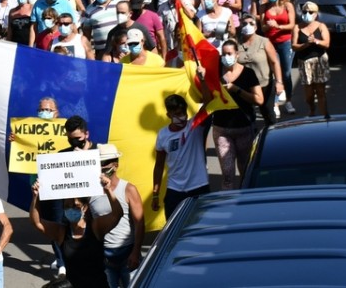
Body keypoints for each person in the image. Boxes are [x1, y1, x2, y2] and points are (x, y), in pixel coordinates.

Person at [29, 174, 122, 288]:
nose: (71, 209)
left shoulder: (95, 227)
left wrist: (108, 190)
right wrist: (35, 197)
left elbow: (117, 215)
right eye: (67, 206)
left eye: (75, 206)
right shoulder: (61, 232)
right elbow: (37, 223)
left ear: (85, 207)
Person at [213, 40, 264, 190]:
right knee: (227, 174)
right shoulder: (215, 72)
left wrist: (236, 89)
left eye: (229, 54)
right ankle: (227, 204)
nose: (226, 57)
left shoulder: (248, 73)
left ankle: (244, 202)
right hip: (221, 130)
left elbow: (259, 99)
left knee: (245, 171)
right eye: (223, 54)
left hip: (244, 129)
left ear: (237, 54)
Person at [151, 94, 210, 222]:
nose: (182, 117)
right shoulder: (162, 135)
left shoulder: (195, 126)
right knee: (173, 229)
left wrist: (203, 81)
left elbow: (209, 101)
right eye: (177, 114)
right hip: (175, 190)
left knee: (201, 226)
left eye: (183, 112)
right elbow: (159, 165)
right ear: (169, 115)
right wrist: (155, 194)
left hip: (199, 186)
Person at [96, 144, 144, 288]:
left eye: (104, 164)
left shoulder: (128, 189)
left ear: (115, 165)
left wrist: (135, 253)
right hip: (104, 256)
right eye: (98, 164)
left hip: (127, 254)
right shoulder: (91, 190)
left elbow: (139, 223)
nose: (101, 167)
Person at [235, 12, 284, 124]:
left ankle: (272, 136)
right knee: (246, 115)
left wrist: (279, 82)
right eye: (245, 23)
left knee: (267, 112)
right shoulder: (236, 43)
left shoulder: (264, 42)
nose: (248, 26)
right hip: (244, 86)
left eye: (251, 23)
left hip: (264, 84)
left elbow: (274, 62)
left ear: (256, 27)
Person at [293, 1, 331, 117]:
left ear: (316, 14)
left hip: (319, 61)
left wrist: (315, 41)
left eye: (310, 12)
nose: (307, 14)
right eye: (305, 12)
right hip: (304, 62)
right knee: (309, 94)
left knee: (320, 91)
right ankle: (312, 108)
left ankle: (325, 114)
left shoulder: (321, 26)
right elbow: (294, 46)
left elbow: (326, 43)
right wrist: (305, 45)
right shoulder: (297, 27)